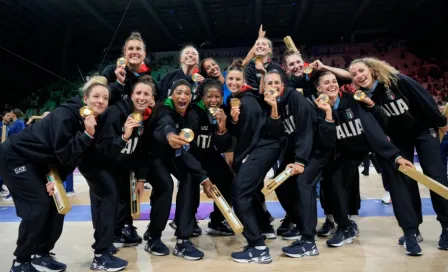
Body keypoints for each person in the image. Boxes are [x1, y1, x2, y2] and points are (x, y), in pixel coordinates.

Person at [0, 76, 109, 271]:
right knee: (38, 204)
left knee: (58, 203)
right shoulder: (65, 115)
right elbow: (65, 153)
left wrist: (55, 180)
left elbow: (70, 157)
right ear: (85, 98)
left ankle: (41, 253)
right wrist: (87, 135)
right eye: (96, 96)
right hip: (16, 157)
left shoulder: (90, 121)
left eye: (105, 98)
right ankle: (20, 261)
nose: (100, 101)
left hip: (39, 162)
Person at [315, 71, 422, 256]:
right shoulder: (317, 108)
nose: (331, 85)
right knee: (333, 181)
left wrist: (394, 155)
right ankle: (345, 226)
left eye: (334, 81)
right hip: (348, 152)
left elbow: (377, 127)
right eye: (326, 83)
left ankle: (410, 233)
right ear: (318, 88)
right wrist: (327, 115)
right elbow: (326, 141)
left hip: (372, 145)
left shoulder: (354, 100)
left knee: (395, 181)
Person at [349, 58, 448, 250]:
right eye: (354, 75)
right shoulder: (363, 98)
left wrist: (440, 121)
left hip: (423, 130)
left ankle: (446, 227)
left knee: (435, 175)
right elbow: (382, 123)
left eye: (361, 71)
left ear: (372, 69)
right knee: (403, 180)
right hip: (400, 138)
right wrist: (371, 106)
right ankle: (412, 230)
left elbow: (424, 98)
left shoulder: (397, 80)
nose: (359, 76)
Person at [78, 75, 154, 271]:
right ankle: (101, 254)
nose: (142, 97)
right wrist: (124, 136)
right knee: (106, 199)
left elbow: (138, 150)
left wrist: (140, 177)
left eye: (146, 94)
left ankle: (107, 243)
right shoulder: (114, 113)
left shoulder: (143, 117)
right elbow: (104, 149)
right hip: (98, 163)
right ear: (131, 95)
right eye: (138, 93)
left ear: (152, 98)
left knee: (113, 201)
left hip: (115, 164)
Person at [143, 79, 214, 260]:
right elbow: (164, 125)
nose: (183, 96)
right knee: (165, 186)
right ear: (171, 95)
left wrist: (203, 177)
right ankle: (153, 236)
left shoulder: (192, 114)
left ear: (191, 97)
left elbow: (190, 150)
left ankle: (183, 239)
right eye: (179, 93)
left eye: (187, 93)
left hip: (177, 154)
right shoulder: (162, 109)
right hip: (154, 155)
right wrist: (170, 135)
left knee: (191, 178)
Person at [224, 59, 283, 264]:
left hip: (262, 148)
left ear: (243, 80)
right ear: (225, 80)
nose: (233, 82)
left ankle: (258, 246)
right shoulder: (234, 101)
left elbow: (255, 131)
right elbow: (238, 132)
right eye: (230, 78)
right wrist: (232, 120)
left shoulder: (248, 100)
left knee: (239, 192)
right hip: (258, 149)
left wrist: (244, 157)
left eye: (237, 79)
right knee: (247, 191)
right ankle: (264, 228)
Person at [102, 32, 152, 105]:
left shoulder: (149, 79)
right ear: (125, 53)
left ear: (144, 54)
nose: (134, 52)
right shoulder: (111, 71)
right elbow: (100, 99)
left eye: (138, 49)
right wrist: (119, 83)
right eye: (131, 48)